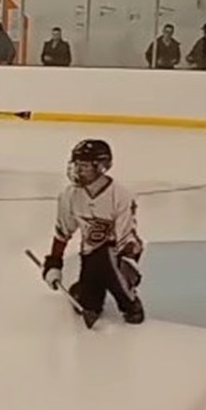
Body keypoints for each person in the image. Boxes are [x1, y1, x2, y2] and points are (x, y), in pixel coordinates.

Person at [41, 140, 145, 329]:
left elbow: (126, 237)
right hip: (91, 252)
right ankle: (86, 286)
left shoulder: (120, 195)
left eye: (85, 166)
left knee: (106, 258)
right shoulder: (70, 195)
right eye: (77, 165)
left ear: (101, 167)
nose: (78, 171)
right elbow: (63, 231)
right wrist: (54, 263)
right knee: (89, 305)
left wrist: (128, 265)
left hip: (119, 253)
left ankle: (129, 301)